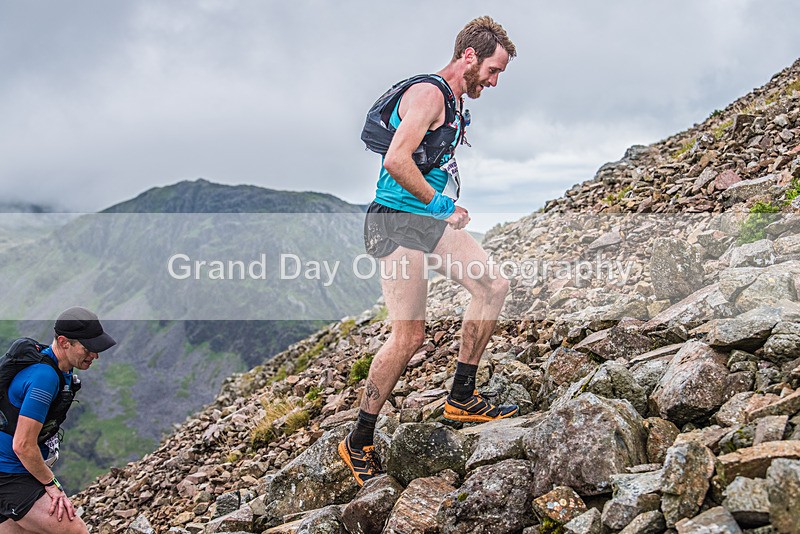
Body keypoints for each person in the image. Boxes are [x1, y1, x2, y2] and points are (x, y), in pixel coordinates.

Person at [340, 16, 518, 486]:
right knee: (409, 336)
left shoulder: (456, 102)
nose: (494, 81)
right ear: (469, 57)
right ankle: (359, 440)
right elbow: (397, 161)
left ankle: (461, 396)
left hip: (425, 222)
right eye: (493, 70)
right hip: (395, 223)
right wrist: (442, 204)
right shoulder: (429, 94)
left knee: (493, 286)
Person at [0, 307, 116, 533]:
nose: (95, 355)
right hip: (9, 472)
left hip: (12, 470)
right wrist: (52, 485)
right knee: (75, 530)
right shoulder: (45, 378)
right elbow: (23, 445)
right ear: (64, 342)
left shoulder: (55, 366)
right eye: (88, 348)